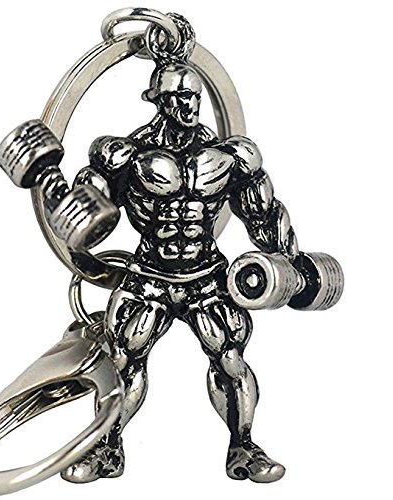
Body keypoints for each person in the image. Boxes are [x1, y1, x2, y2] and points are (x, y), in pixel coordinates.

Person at [60, 62, 299, 484]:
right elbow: (85, 212)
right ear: (158, 102)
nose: (189, 106)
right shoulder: (126, 157)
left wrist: (290, 261)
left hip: (207, 273)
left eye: (193, 97)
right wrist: (71, 204)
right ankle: (106, 448)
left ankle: (244, 447)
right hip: (148, 272)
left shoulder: (228, 157)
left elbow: (263, 213)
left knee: (230, 358)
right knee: (122, 359)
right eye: (178, 98)